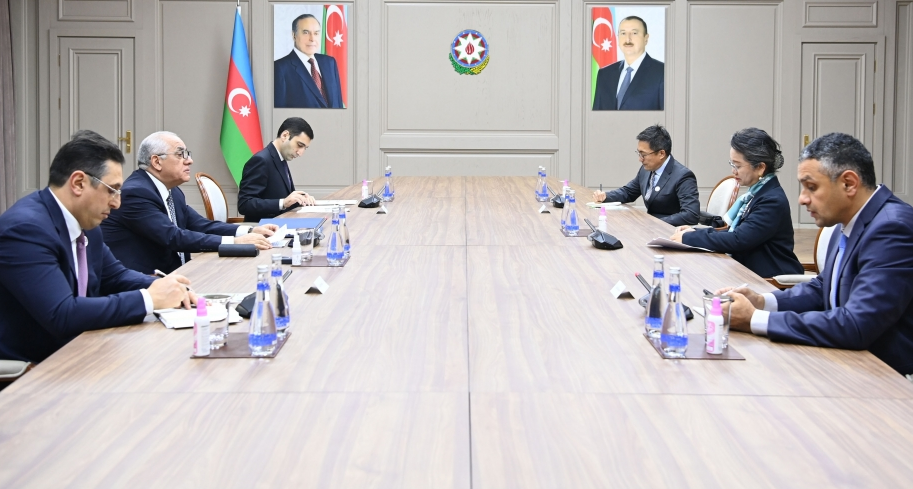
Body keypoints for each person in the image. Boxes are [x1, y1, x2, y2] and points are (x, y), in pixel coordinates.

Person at [720, 133, 913, 376]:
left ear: (849, 183)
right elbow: (823, 287)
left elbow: (857, 325)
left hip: (886, 377)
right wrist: (762, 302)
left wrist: (755, 320)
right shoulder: (851, 221)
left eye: (811, 187)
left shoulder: (892, 228)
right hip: (847, 361)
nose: (802, 199)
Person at [0, 132, 193, 363]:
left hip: (85, 348)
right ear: (78, 183)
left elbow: (115, 276)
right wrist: (149, 299)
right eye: (112, 190)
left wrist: (166, 287)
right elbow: (62, 314)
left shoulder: (86, 221)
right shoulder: (25, 230)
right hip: (35, 366)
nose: (117, 203)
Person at [101, 131, 277, 275]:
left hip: (176, 274)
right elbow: (173, 237)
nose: (189, 160)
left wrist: (249, 231)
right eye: (180, 154)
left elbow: (200, 225)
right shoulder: (136, 193)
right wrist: (235, 242)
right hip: (143, 282)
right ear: (156, 162)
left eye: (188, 154)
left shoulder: (173, 191)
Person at [669, 128, 803, 278]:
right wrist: (694, 232)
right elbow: (735, 233)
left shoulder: (771, 200)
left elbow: (739, 239)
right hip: (749, 273)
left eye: (737, 166)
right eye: (732, 164)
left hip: (769, 280)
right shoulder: (759, 193)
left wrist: (689, 238)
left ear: (760, 167)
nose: (733, 171)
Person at [592, 125, 699, 226]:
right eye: (639, 154)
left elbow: (691, 215)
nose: (640, 159)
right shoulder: (646, 170)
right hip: (650, 228)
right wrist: (605, 196)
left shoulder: (683, 176)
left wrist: (653, 222)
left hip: (670, 231)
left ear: (661, 154)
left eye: (643, 155)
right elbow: (628, 192)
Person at [238, 117, 316, 222]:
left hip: (281, 224)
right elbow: (245, 204)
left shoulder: (281, 159)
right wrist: (282, 203)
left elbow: (280, 195)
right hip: (263, 228)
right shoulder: (261, 160)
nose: (300, 153)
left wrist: (301, 199)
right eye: (299, 145)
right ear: (285, 136)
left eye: (304, 148)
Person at [592, 16, 664, 111]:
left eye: (634, 33)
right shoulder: (605, 74)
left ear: (646, 38)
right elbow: (596, 115)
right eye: (623, 33)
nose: (628, 39)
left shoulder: (662, 72)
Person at [274, 13, 344, 108]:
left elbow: (338, 104)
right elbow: (279, 112)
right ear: (294, 35)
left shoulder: (330, 63)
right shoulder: (280, 68)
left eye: (316, 33)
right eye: (306, 33)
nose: (312, 39)